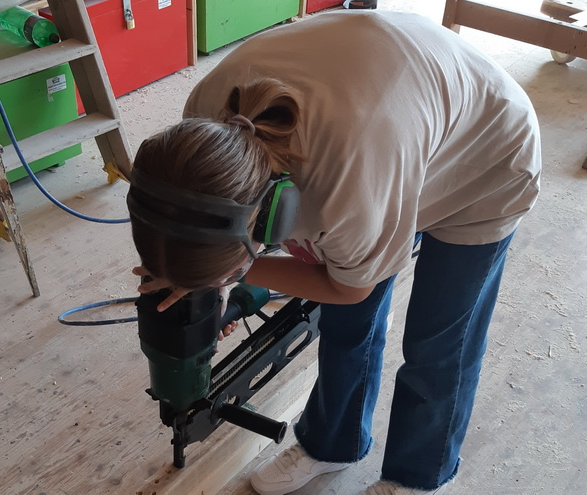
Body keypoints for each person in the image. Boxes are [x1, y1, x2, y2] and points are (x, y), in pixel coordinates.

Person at [127, 10, 540, 495]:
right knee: (348, 327)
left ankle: (417, 477)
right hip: (398, 116)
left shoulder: (345, 187)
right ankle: (331, 443)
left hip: (485, 157)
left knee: (439, 344)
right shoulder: (203, 122)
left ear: (269, 214)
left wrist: (236, 273)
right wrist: (202, 272)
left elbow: (348, 287)